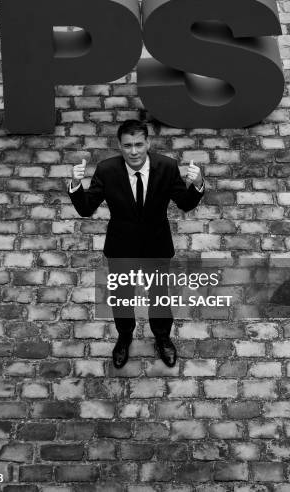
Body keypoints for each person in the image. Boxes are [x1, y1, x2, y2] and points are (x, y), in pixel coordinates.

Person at [67, 120, 204, 368]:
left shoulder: (167, 166)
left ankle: (162, 338)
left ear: (148, 143)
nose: (134, 151)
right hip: (122, 247)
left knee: (160, 296)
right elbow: (86, 208)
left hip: (157, 245)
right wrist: (76, 186)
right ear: (119, 145)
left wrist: (197, 185)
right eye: (128, 145)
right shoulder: (107, 170)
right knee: (122, 297)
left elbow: (184, 203)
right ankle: (124, 337)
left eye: (139, 144)